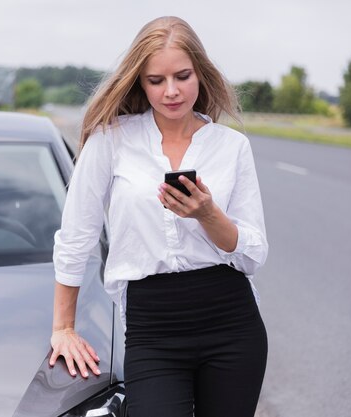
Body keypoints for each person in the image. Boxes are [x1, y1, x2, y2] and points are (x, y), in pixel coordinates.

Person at [49, 16, 268, 417]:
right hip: (153, 327)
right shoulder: (110, 140)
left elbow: (253, 254)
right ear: (139, 82)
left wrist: (207, 213)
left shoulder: (232, 147)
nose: (171, 91)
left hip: (231, 321)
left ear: (200, 73)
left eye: (183, 76)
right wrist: (63, 327)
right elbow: (76, 236)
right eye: (156, 80)